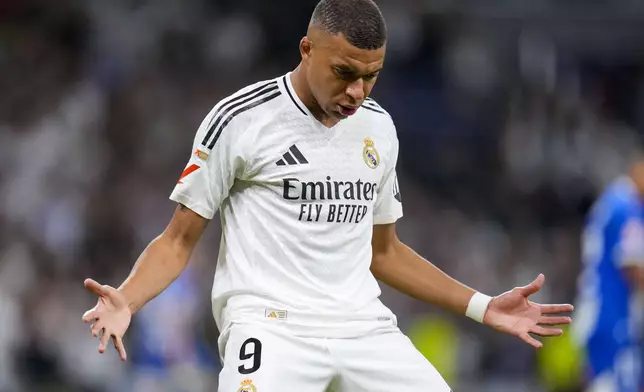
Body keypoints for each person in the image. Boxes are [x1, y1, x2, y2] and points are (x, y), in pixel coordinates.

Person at [81, 0, 573, 390]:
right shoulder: (241, 120)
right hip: (270, 326)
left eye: (371, 75)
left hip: (362, 326)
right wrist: (127, 298)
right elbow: (177, 241)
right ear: (306, 50)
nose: (358, 91)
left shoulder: (378, 128)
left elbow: (385, 252)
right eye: (344, 72)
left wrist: (482, 306)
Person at [573, 158, 644, 392]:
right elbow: (634, 268)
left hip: (599, 309)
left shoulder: (613, 200)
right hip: (611, 314)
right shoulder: (627, 207)